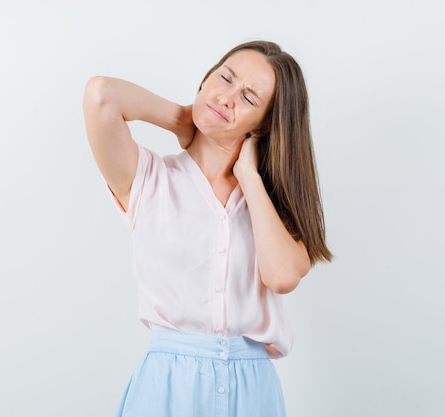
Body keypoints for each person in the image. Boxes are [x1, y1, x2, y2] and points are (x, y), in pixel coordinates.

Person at [82, 40, 332, 417]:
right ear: (205, 80)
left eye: (248, 98)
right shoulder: (148, 178)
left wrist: (248, 174)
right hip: (168, 384)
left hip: (253, 390)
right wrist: (183, 118)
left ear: (266, 125)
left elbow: (281, 276)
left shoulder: (270, 205)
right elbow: (101, 95)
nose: (227, 97)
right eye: (225, 78)